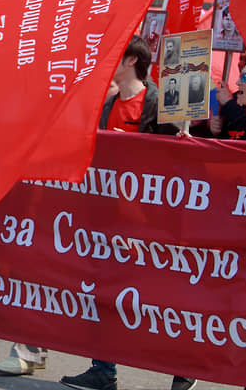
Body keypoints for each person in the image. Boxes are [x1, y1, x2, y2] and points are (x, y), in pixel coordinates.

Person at [61, 36, 191, 390]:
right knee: (104, 296)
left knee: (160, 300)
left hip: (148, 224)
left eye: (115, 55)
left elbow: (177, 159)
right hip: (109, 219)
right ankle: (103, 370)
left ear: (132, 60)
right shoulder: (109, 104)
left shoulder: (158, 102)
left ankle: (184, 365)